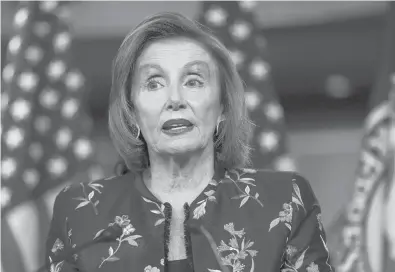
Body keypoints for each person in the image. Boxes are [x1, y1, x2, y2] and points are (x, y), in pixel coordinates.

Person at [45, 12, 333, 272]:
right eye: (154, 83)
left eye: (193, 81)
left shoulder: (286, 201)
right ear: (131, 112)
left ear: (223, 107)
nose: (174, 100)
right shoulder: (80, 211)